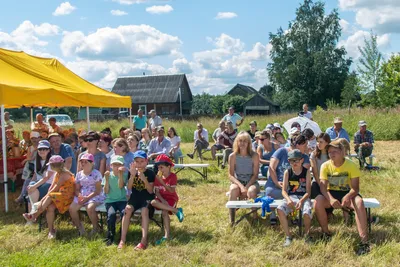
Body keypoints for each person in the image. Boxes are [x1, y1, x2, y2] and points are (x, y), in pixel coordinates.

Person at [314, 139, 369, 255]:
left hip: (348, 192)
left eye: (335, 151)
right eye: (329, 152)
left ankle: (364, 241)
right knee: (318, 201)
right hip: (331, 193)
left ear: (342, 151)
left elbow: (355, 188)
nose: (332, 154)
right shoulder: (325, 166)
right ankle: (326, 233)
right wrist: (330, 199)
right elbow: (323, 188)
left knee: (359, 203)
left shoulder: (351, 165)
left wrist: (348, 196)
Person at [22, 155, 75, 239]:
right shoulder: (57, 174)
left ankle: (34, 215)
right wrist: (43, 200)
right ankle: (51, 230)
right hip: (59, 196)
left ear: (53, 166)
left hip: (67, 197)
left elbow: (54, 189)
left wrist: (42, 200)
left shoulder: (64, 175)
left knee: (50, 196)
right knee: (50, 207)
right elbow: (51, 188)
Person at [266, 134, 311, 225]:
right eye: (305, 145)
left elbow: (301, 175)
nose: (307, 147)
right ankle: (273, 213)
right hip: (276, 181)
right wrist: (277, 183)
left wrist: (288, 185)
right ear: (298, 145)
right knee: (270, 192)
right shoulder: (281, 151)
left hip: (293, 184)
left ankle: (293, 214)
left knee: (294, 194)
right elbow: (272, 168)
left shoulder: (304, 158)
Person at [118, 151, 155, 250]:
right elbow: (129, 188)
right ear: (134, 163)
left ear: (146, 161)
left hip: (147, 198)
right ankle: (122, 239)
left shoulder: (150, 173)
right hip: (135, 197)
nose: (139, 164)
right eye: (137, 162)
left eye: (141, 161)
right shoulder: (132, 172)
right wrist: (133, 176)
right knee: (127, 210)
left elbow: (151, 191)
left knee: (144, 211)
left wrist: (144, 179)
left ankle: (143, 240)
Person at [277, 149, 312, 246]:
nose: (294, 162)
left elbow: (308, 192)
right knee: (280, 209)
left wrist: (301, 201)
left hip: (303, 197)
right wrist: (288, 200)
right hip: (291, 197)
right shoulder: (287, 172)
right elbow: (284, 190)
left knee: (306, 212)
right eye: (292, 160)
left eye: (296, 160)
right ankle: (288, 236)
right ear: (289, 161)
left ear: (301, 160)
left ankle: (307, 235)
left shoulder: (306, 172)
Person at [151, 154, 184, 245]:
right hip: (161, 199)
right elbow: (157, 192)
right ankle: (176, 210)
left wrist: (163, 182)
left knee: (164, 212)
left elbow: (171, 190)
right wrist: (162, 200)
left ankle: (166, 236)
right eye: (158, 167)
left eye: (162, 167)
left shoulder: (173, 176)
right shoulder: (157, 177)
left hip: (171, 198)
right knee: (153, 202)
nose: (160, 169)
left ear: (168, 167)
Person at [228, 131, 260, 225]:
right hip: (238, 182)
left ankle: (255, 217)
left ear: (249, 143)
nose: (242, 143)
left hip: (251, 181)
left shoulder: (254, 156)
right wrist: (241, 187)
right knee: (233, 189)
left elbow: (255, 175)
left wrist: (246, 187)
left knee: (251, 191)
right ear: (237, 142)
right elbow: (230, 175)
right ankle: (232, 219)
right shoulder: (232, 156)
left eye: (245, 141)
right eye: (240, 141)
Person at [69, 153, 105, 236]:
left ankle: (96, 228)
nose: (83, 164)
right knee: (71, 208)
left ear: (92, 163)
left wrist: (87, 198)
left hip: (94, 195)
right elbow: (77, 189)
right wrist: (80, 196)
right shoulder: (79, 174)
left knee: (90, 208)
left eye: (86, 162)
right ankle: (80, 227)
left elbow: (98, 190)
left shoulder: (96, 173)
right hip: (82, 194)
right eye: (82, 162)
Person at [102, 155, 128, 245]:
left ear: (122, 166)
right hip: (110, 201)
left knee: (124, 212)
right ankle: (110, 234)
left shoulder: (124, 175)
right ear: (111, 166)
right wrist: (106, 179)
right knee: (111, 214)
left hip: (122, 200)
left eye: (118, 165)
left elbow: (120, 186)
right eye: (114, 165)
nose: (116, 167)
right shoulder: (107, 176)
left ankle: (122, 233)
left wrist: (120, 175)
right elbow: (106, 191)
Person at [310, 133, 331, 199]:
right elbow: (315, 173)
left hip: (330, 182)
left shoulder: (332, 154)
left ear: (327, 143)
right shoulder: (313, 155)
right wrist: (322, 186)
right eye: (317, 142)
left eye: (321, 142)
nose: (318, 144)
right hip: (317, 182)